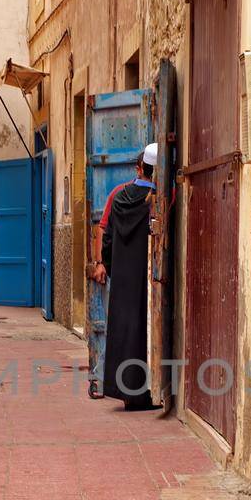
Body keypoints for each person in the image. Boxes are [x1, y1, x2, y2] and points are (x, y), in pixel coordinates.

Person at [99, 143, 158, 410]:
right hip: (146, 279)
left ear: (140, 168)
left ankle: (122, 391)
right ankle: (142, 394)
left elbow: (107, 238)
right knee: (143, 333)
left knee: (122, 332)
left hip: (122, 276)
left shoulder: (119, 196)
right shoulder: (157, 201)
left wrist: (112, 269)